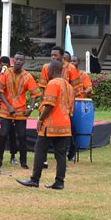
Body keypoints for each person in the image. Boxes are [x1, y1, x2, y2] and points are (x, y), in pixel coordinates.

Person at [17, 60, 75, 190]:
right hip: (65, 126)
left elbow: (49, 105)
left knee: (40, 150)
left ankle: (34, 179)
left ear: (52, 70)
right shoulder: (69, 87)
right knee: (60, 154)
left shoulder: (52, 84)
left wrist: (40, 119)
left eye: (47, 70)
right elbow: (71, 108)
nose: (46, 73)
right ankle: (59, 182)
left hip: (51, 125)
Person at [0, 52, 41, 169]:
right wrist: (8, 106)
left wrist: (30, 108)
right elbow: (0, 91)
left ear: (24, 62)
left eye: (21, 60)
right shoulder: (6, 73)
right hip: (6, 110)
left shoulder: (27, 76)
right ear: (13, 60)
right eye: (16, 59)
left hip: (21, 111)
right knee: (3, 134)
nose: (18, 61)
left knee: (22, 136)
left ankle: (23, 161)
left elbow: (35, 94)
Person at [67, 55, 93, 160]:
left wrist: (84, 92)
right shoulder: (66, 73)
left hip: (78, 104)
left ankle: (73, 150)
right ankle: (69, 150)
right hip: (66, 104)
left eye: (74, 61)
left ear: (78, 63)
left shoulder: (83, 75)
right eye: (71, 61)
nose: (72, 63)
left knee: (74, 128)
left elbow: (89, 88)